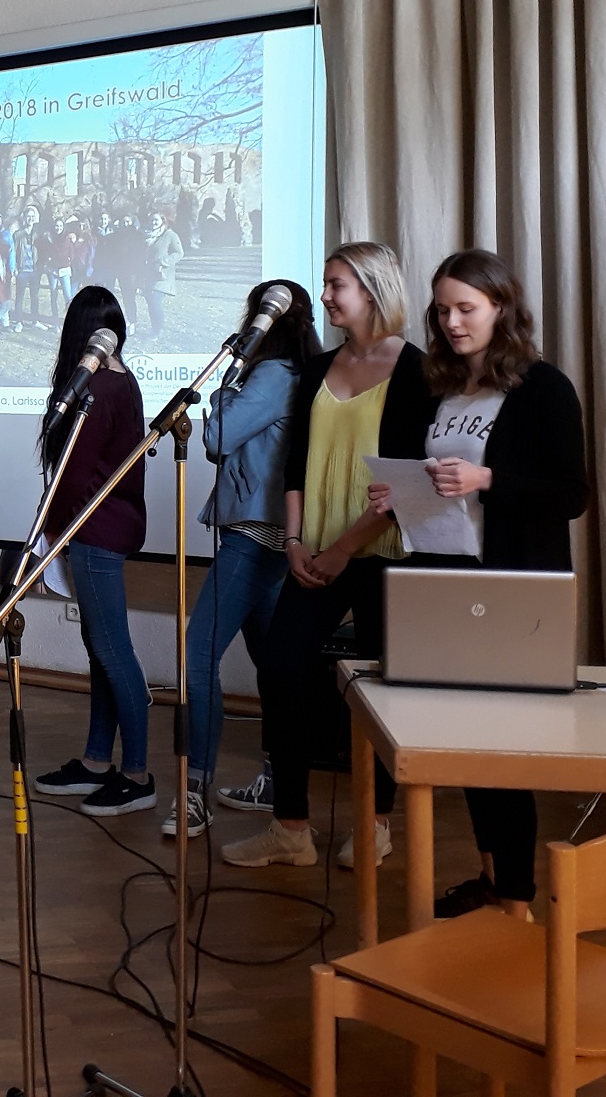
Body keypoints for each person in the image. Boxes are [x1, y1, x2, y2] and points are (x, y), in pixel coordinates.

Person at [374, 250, 588, 918]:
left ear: (502, 308)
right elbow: (426, 476)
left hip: (514, 587)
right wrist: (398, 491)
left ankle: (519, 895)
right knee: (464, 745)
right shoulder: (432, 388)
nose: (453, 321)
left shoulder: (543, 388)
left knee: (502, 747)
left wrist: (487, 481)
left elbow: (572, 494)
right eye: (443, 310)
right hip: (442, 579)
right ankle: (494, 878)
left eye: (467, 308)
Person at [223, 242, 435, 870]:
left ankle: (376, 824)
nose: (325, 295)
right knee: (281, 667)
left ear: (371, 290)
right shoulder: (317, 368)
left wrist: (344, 549)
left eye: (336, 283)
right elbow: (294, 464)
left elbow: (407, 483)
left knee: (379, 689)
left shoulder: (416, 371)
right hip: (312, 551)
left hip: (380, 554)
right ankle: (290, 828)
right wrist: (293, 542)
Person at [167, 282, 320, 834]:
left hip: (255, 536)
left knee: (198, 655)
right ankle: (278, 782)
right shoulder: (296, 374)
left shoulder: (273, 375)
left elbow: (218, 437)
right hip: (276, 535)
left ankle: (193, 793)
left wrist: (225, 386)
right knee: (274, 664)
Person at [30, 286, 156, 817]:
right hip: (94, 529)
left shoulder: (101, 389)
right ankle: (97, 760)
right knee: (100, 648)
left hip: (93, 531)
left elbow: (77, 476)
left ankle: (138, 774)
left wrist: (48, 537)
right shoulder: (111, 383)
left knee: (111, 649)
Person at [134, 211, 185, 341]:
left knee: (155, 302)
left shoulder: (170, 235)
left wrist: (164, 261)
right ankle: (155, 328)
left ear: (163, 221)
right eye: (151, 220)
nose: (153, 222)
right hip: (147, 275)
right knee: (151, 303)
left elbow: (179, 253)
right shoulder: (145, 235)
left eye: (156, 220)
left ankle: (157, 331)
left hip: (161, 275)